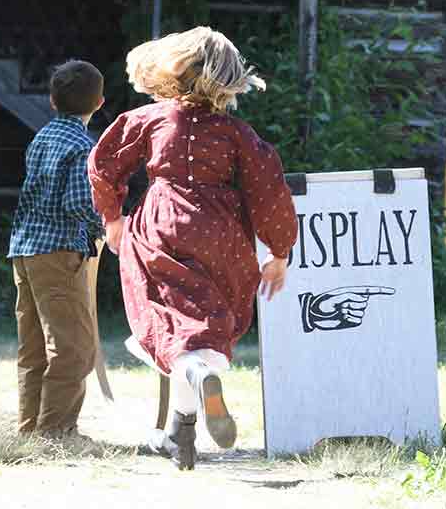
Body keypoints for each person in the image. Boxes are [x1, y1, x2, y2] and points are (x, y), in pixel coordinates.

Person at [88, 26, 297, 470]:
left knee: (169, 324)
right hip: (222, 231)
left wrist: (112, 218)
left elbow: (104, 163)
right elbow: (268, 189)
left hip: (162, 224)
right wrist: (279, 251)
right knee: (205, 329)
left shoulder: (150, 119)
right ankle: (181, 432)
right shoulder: (237, 133)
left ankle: (198, 380)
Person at [6, 60, 105, 437]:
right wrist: (107, 225)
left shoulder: (42, 136)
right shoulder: (83, 146)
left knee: (32, 347)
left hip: (24, 250)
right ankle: (57, 433)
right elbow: (79, 203)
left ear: (51, 101)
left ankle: (30, 429)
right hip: (59, 252)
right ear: (99, 102)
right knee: (74, 345)